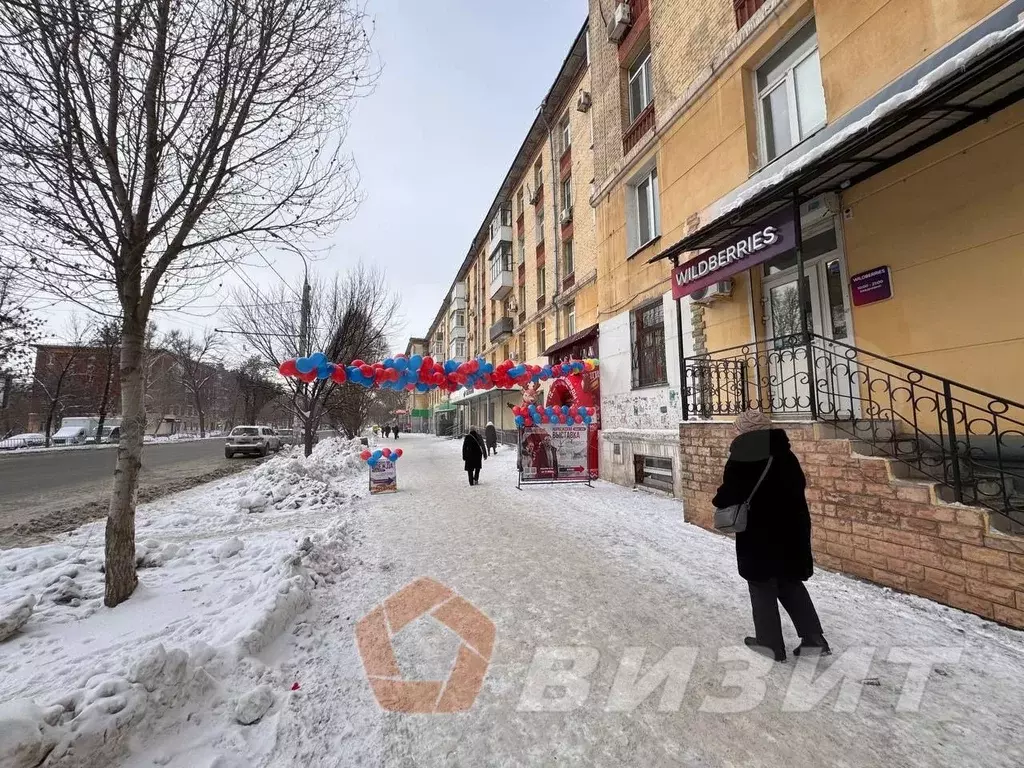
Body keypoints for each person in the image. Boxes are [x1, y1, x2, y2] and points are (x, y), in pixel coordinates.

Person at [712, 409, 830, 663]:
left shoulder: (743, 455)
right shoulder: (785, 453)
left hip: (760, 533)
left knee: (761, 584)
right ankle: (814, 639)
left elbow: (730, 493)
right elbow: (798, 485)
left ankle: (770, 644)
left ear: (744, 429)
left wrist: (718, 499)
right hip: (791, 529)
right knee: (789, 581)